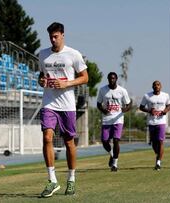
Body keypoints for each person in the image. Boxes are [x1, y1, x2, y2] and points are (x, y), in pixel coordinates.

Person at [38, 22, 88, 197]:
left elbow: (85, 77)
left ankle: (71, 179)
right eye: (50, 37)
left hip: (67, 105)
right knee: (47, 137)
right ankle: (52, 180)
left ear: (62, 35)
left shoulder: (73, 54)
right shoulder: (43, 55)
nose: (53, 40)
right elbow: (41, 76)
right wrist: (42, 82)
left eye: (56, 36)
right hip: (49, 103)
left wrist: (67, 83)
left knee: (68, 142)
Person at [96, 72, 132, 172]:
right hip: (106, 119)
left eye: (113, 78)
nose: (112, 80)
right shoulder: (103, 90)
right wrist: (104, 110)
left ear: (116, 79)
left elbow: (129, 104)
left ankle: (115, 164)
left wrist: (125, 109)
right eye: (110, 78)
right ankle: (111, 154)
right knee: (104, 141)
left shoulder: (122, 91)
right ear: (108, 79)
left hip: (118, 119)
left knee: (116, 140)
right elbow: (98, 104)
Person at [139, 80, 170, 171]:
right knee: (153, 142)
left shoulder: (165, 95)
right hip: (152, 122)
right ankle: (158, 154)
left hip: (161, 122)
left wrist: (165, 111)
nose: (157, 86)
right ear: (152, 87)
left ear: (161, 86)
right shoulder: (147, 96)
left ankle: (158, 163)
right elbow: (141, 107)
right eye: (155, 85)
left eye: (158, 85)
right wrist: (149, 111)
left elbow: (169, 106)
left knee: (160, 141)